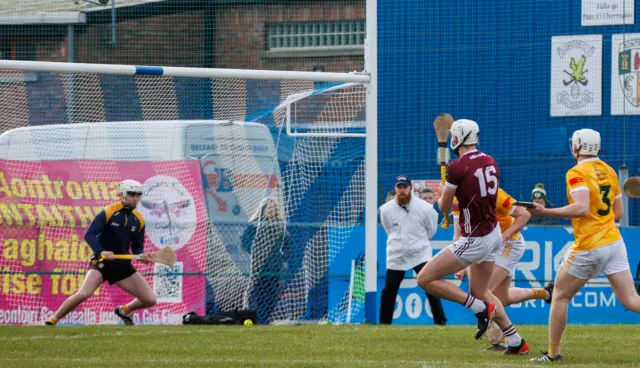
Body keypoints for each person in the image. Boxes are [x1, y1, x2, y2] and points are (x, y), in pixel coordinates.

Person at [416, 119, 530, 355]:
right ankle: (516, 341)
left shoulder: (457, 167)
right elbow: (471, 201)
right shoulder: (490, 161)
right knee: (482, 290)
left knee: (425, 279)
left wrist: (442, 198)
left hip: (475, 239)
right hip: (493, 234)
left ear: (456, 139)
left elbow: (445, 205)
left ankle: (479, 308)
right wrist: (452, 201)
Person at [528, 129, 640, 362]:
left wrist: (545, 210)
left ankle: (553, 354)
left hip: (591, 244)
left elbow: (581, 208)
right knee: (631, 300)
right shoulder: (609, 170)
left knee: (559, 295)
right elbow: (618, 212)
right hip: (614, 242)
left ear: (576, 147)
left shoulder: (577, 172)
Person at [455, 187, 554, 351]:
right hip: (486, 245)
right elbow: (459, 232)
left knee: (483, 292)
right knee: (502, 297)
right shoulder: (460, 198)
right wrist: (461, 263)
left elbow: (524, 215)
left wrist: (504, 237)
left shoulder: (495, 193)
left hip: (508, 244)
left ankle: (503, 339)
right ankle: (544, 293)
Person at [45, 180, 155, 326]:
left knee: (150, 300)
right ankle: (53, 320)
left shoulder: (139, 219)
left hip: (122, 266)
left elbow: (137, 248)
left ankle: (124, 310)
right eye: (131, 194)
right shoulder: (109, 211)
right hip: (102, 263)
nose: (135, 198)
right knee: (83, 294)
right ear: (122, 194)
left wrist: (142, 256)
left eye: (138, 195)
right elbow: (89, 234)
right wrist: (101, 251)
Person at [379, 175, 447, 325]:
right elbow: (389, 229)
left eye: (405, 187)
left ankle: (440, 321)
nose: (402, 190)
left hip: (420, 253)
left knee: (430, 286)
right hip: (397, 254)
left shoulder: (425, 208)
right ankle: (384, 324)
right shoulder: (385, 210)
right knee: (389, 290)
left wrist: (418, 241)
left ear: (410, 188)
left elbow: (431, 230)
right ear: (396, 189)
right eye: (399, 187)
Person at [242, 195, 290, 324]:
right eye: (268, 207)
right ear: (263, 209)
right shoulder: (255, 225)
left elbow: (288, 245)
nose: (271, 210)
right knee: (256, 293)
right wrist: (257, 252)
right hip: (259, 267)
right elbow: (245, 242)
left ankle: (265, 319)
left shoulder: (280, 227)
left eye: (273, 208)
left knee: (271, 296)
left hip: (274, 267)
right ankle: (254, 317)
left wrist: (281, 257)